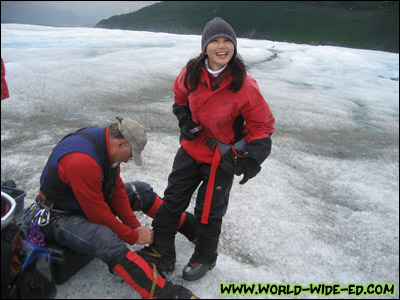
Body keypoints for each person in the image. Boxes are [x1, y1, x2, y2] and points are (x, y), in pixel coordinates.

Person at [139, 17, 275, 281]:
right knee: (172, 203)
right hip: (191, 151)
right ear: (205, 47)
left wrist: (253, 159)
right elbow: (179, 99)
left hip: (222, 159)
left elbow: (261, 124)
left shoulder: (244, 85)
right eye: (215, 41)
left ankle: (205, 256)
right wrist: (184, 120)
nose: (221, 46)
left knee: (209, 211)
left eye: (227, 41)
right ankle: (162, 253)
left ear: (234, 47)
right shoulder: (190, 73)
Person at [22, 117, 197, 299]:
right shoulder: (82, 161)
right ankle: (167, 294)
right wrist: (133, 236)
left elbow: (116, 191)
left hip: (81, 205)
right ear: (121, 144)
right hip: (58, 217)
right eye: (130, 155)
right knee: (104, 238)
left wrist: (134, 226)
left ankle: (192, 228)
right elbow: (98, 216)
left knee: (141, 192)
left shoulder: (105, 146)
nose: (129, 161)